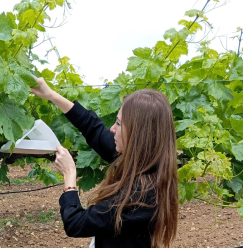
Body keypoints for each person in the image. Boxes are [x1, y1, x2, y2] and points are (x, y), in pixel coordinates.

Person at [31, 77, 178, 248]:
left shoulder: (141, 195)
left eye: (118, 123)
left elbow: (76, 224)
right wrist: (51, 95)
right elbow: (93, 127)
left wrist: (69, 175)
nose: (112, 129)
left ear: (138, 134)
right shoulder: (144, 161)